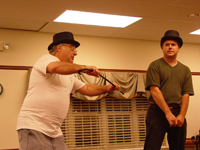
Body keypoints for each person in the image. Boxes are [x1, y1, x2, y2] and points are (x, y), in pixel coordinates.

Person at [17, 31, 121, 150]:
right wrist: (83, 68)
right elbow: (55, 67)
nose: (75, 53)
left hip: (55, 132)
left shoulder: (68, 75)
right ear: (59, 48)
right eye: (72, 48)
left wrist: (108, 88)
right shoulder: (45, 59)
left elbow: (86, 88)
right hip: (34, 126)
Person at [144, 30, 194, 150]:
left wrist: (182, 115)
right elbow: (155, 90)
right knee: (152, 147)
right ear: (162, 47)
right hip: (157, 112)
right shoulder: (155, 66)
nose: (170, 47)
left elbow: (186, 94)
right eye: (167, 44)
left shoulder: (185, 70)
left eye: (173, 44)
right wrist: (168, 113)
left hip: (177, 112)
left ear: (178, 48)